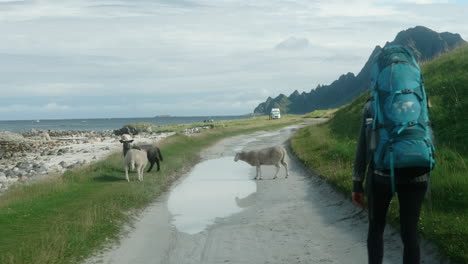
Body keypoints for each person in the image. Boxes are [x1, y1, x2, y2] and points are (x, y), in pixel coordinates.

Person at [352, 98, 429, 264]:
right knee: (410, 233)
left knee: (376, 228)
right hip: (417, 173)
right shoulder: (419, 98)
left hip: (380, 175)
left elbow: (364, 144)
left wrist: (357, 182)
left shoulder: (371, 104)